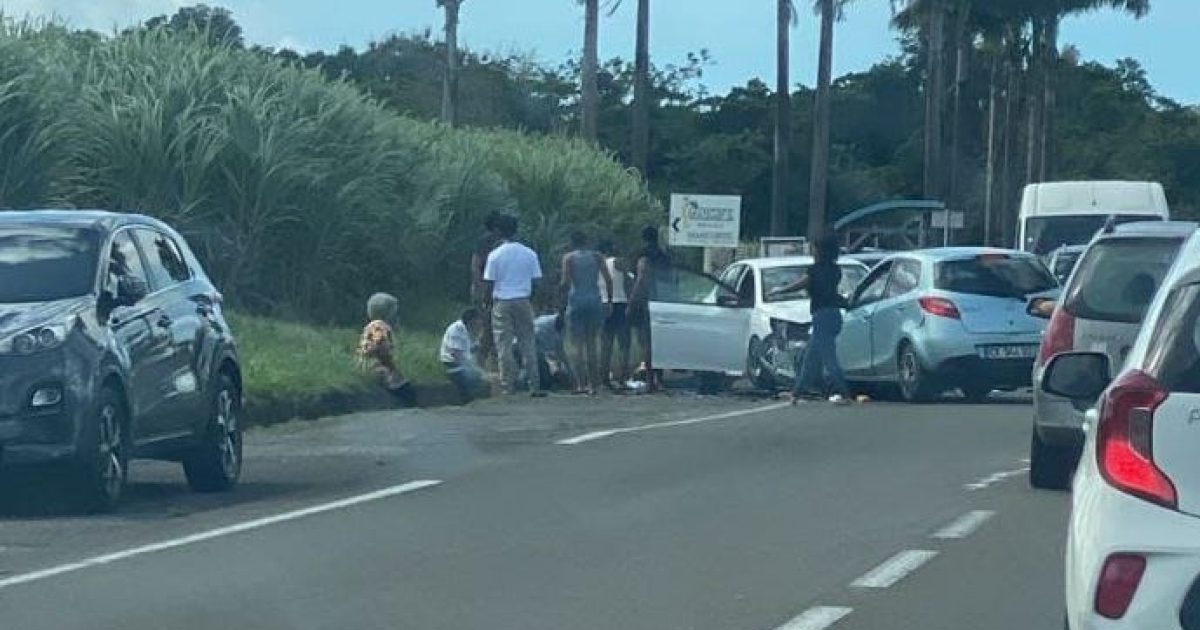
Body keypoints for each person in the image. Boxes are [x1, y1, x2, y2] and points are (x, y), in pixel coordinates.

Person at [769, 235, 851, 405]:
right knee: (810, 357)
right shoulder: (836, 270)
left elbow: (801, 284)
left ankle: (844, 393)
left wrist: (780, 291)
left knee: (829, 358)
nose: (812, 251)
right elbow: (830, 291)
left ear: (820, 250)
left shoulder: (815, 270)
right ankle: (796, 393)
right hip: (834, 315)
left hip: (822, 317)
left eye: (814, 248)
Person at [482, 214, 546, 397]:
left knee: (504, 345)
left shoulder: (495, 255)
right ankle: (534, 385)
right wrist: (535, 301)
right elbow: (538, 283)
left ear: (499, 231)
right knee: (528, 343)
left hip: (502, 301)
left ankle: (507, 386)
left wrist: (487, 302)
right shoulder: (529, 253)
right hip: (523, 300)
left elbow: (489, 283)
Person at [560, 231, 614, 395]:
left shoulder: (569, 258)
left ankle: (580, 384)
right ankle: (594, 384)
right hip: (594, 300)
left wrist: (559, 303)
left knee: (577, 345)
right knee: (592, 343)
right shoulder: (597, 257)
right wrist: (609, 300)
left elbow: (565, 282)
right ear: (586, 241)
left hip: (576, 300)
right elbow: (608, 279)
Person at [628, 225, 671, 392]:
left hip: (645, 301)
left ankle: (650, 380)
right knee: (658, 341)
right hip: (664, 300)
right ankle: (658, 379)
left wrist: (632, 301)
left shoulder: (643, 255)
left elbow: (641, 278)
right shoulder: (664, 256)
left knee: (645, 342)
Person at [356, 292, 417, 407]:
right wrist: (392, 367)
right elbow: (380, 347)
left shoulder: (374, 325)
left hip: (374, 366)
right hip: (378, 368)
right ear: (387, 311)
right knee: (408, 392)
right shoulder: (379, 326)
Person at [598, 238, 633, 390]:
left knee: (606, 342)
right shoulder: (618, 262)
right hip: (620, 302)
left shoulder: (598, 265)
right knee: (624, 343)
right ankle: (622, 378)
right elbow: (628, 281)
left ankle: (603, 377)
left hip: (604, 303)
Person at [471, 212, 504, 371]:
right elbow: (476, 265)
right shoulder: (485, 242)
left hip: (499, 290)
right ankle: (480, 365)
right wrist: (480, 288)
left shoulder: (503, 242)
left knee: (497, 329)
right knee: (487, 328)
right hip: (486, 289)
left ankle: (494, 366)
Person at [441, 308, 490, 403]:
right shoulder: (457, 328)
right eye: (479, 319)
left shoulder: (467, 329)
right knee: (471, 379)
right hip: (453, 363)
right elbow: (456, 354)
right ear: (472, 320)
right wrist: (475, 369)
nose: (480, 322)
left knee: (478, 378)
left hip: (464, 362)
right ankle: (468, 400)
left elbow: (471, 350)